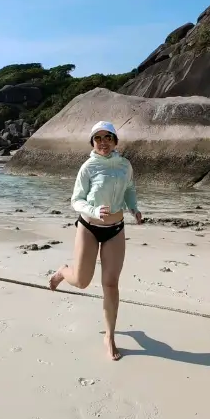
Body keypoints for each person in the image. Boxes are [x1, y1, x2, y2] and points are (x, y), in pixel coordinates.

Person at [48, 120, 143, 361]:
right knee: (81, 281)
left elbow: (130, 188)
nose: (103, 142)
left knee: (110, 285)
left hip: (116, 229)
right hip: (89, 227)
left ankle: (109, 336)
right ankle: (62, 272)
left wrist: (134, 208)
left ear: (115, 141)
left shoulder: (125, 165)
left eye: (108, 137)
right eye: (98, 138)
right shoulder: (88, 168)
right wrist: (93, 210)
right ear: (92, 142)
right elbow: (76, 200)